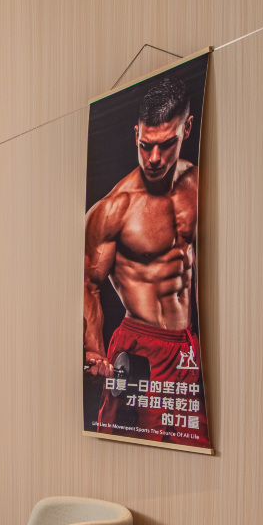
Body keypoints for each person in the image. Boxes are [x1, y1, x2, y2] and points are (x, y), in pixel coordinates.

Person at [83, 74, 207, 444]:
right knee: (131, 452)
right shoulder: (113, 209)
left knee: (198, 448)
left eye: (166, 145)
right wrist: (94, 351)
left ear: (187, 128)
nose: (154, 158)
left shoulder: (199, 186)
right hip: (140, 346)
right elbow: (89, 285)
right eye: (145, 145)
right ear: (136, 133)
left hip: (187, 346)